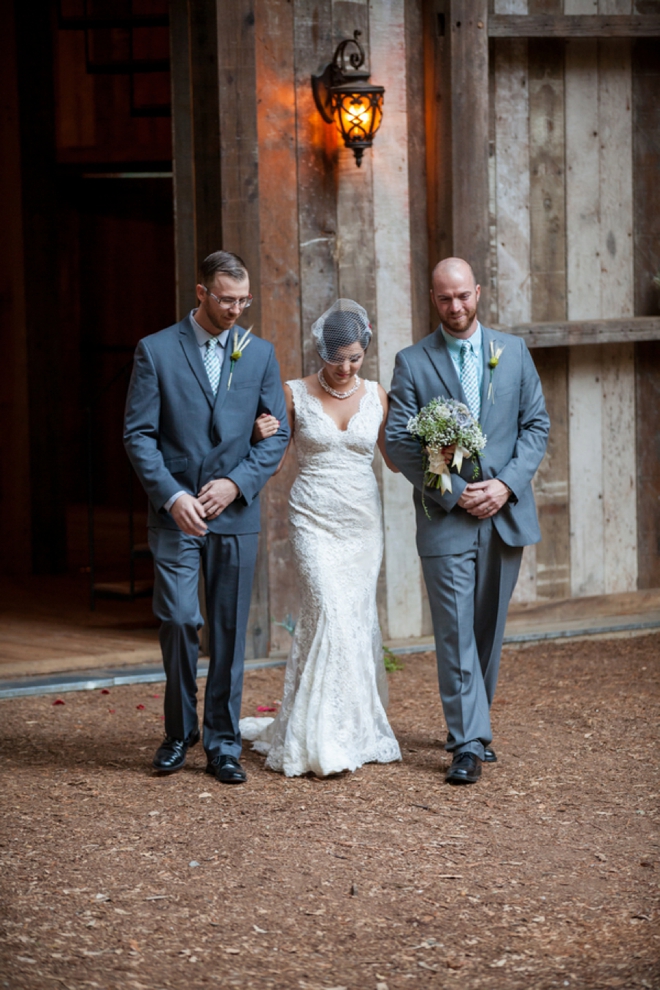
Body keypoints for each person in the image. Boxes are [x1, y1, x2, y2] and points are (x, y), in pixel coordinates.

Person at [123, 250, 289, 784]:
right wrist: (173, 496)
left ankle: (222, 742)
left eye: (243, 301)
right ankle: (179, 730)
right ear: (200, 293)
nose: (236, 310)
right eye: (225, 299)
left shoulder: (259, 354)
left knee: (229, 629)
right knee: (177, 618)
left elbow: (276, 433)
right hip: (176, 514)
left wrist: (235, 483)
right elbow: (138, 435)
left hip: (235, 513)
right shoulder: (155, 351)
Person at [385, 258, 549, 784]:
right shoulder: (413, 361)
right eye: (444, 299)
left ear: (477, 292)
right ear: (432, 299)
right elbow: (400, 443)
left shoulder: (514, 352)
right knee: (455, 631)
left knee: (485, 630)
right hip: (447, 517)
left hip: (505, 512)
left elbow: (536, 426)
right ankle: (468, 742)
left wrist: (504, 486)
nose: (455, 307)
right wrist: (456, 493)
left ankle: (475, 724)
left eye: (463, 296)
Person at [239, 300, 402, 777]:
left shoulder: (377, 393)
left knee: (352, 619)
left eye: (355, 357)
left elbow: (393, 459)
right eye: (338, 359)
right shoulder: (294, 392)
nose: (346, 367)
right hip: (312, 515)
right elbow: (269, 451)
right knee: (328, 610)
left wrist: (444, 447)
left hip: (361, 522)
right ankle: (316, 734)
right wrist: (254, 432)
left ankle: (350, 729)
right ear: (321, 352)